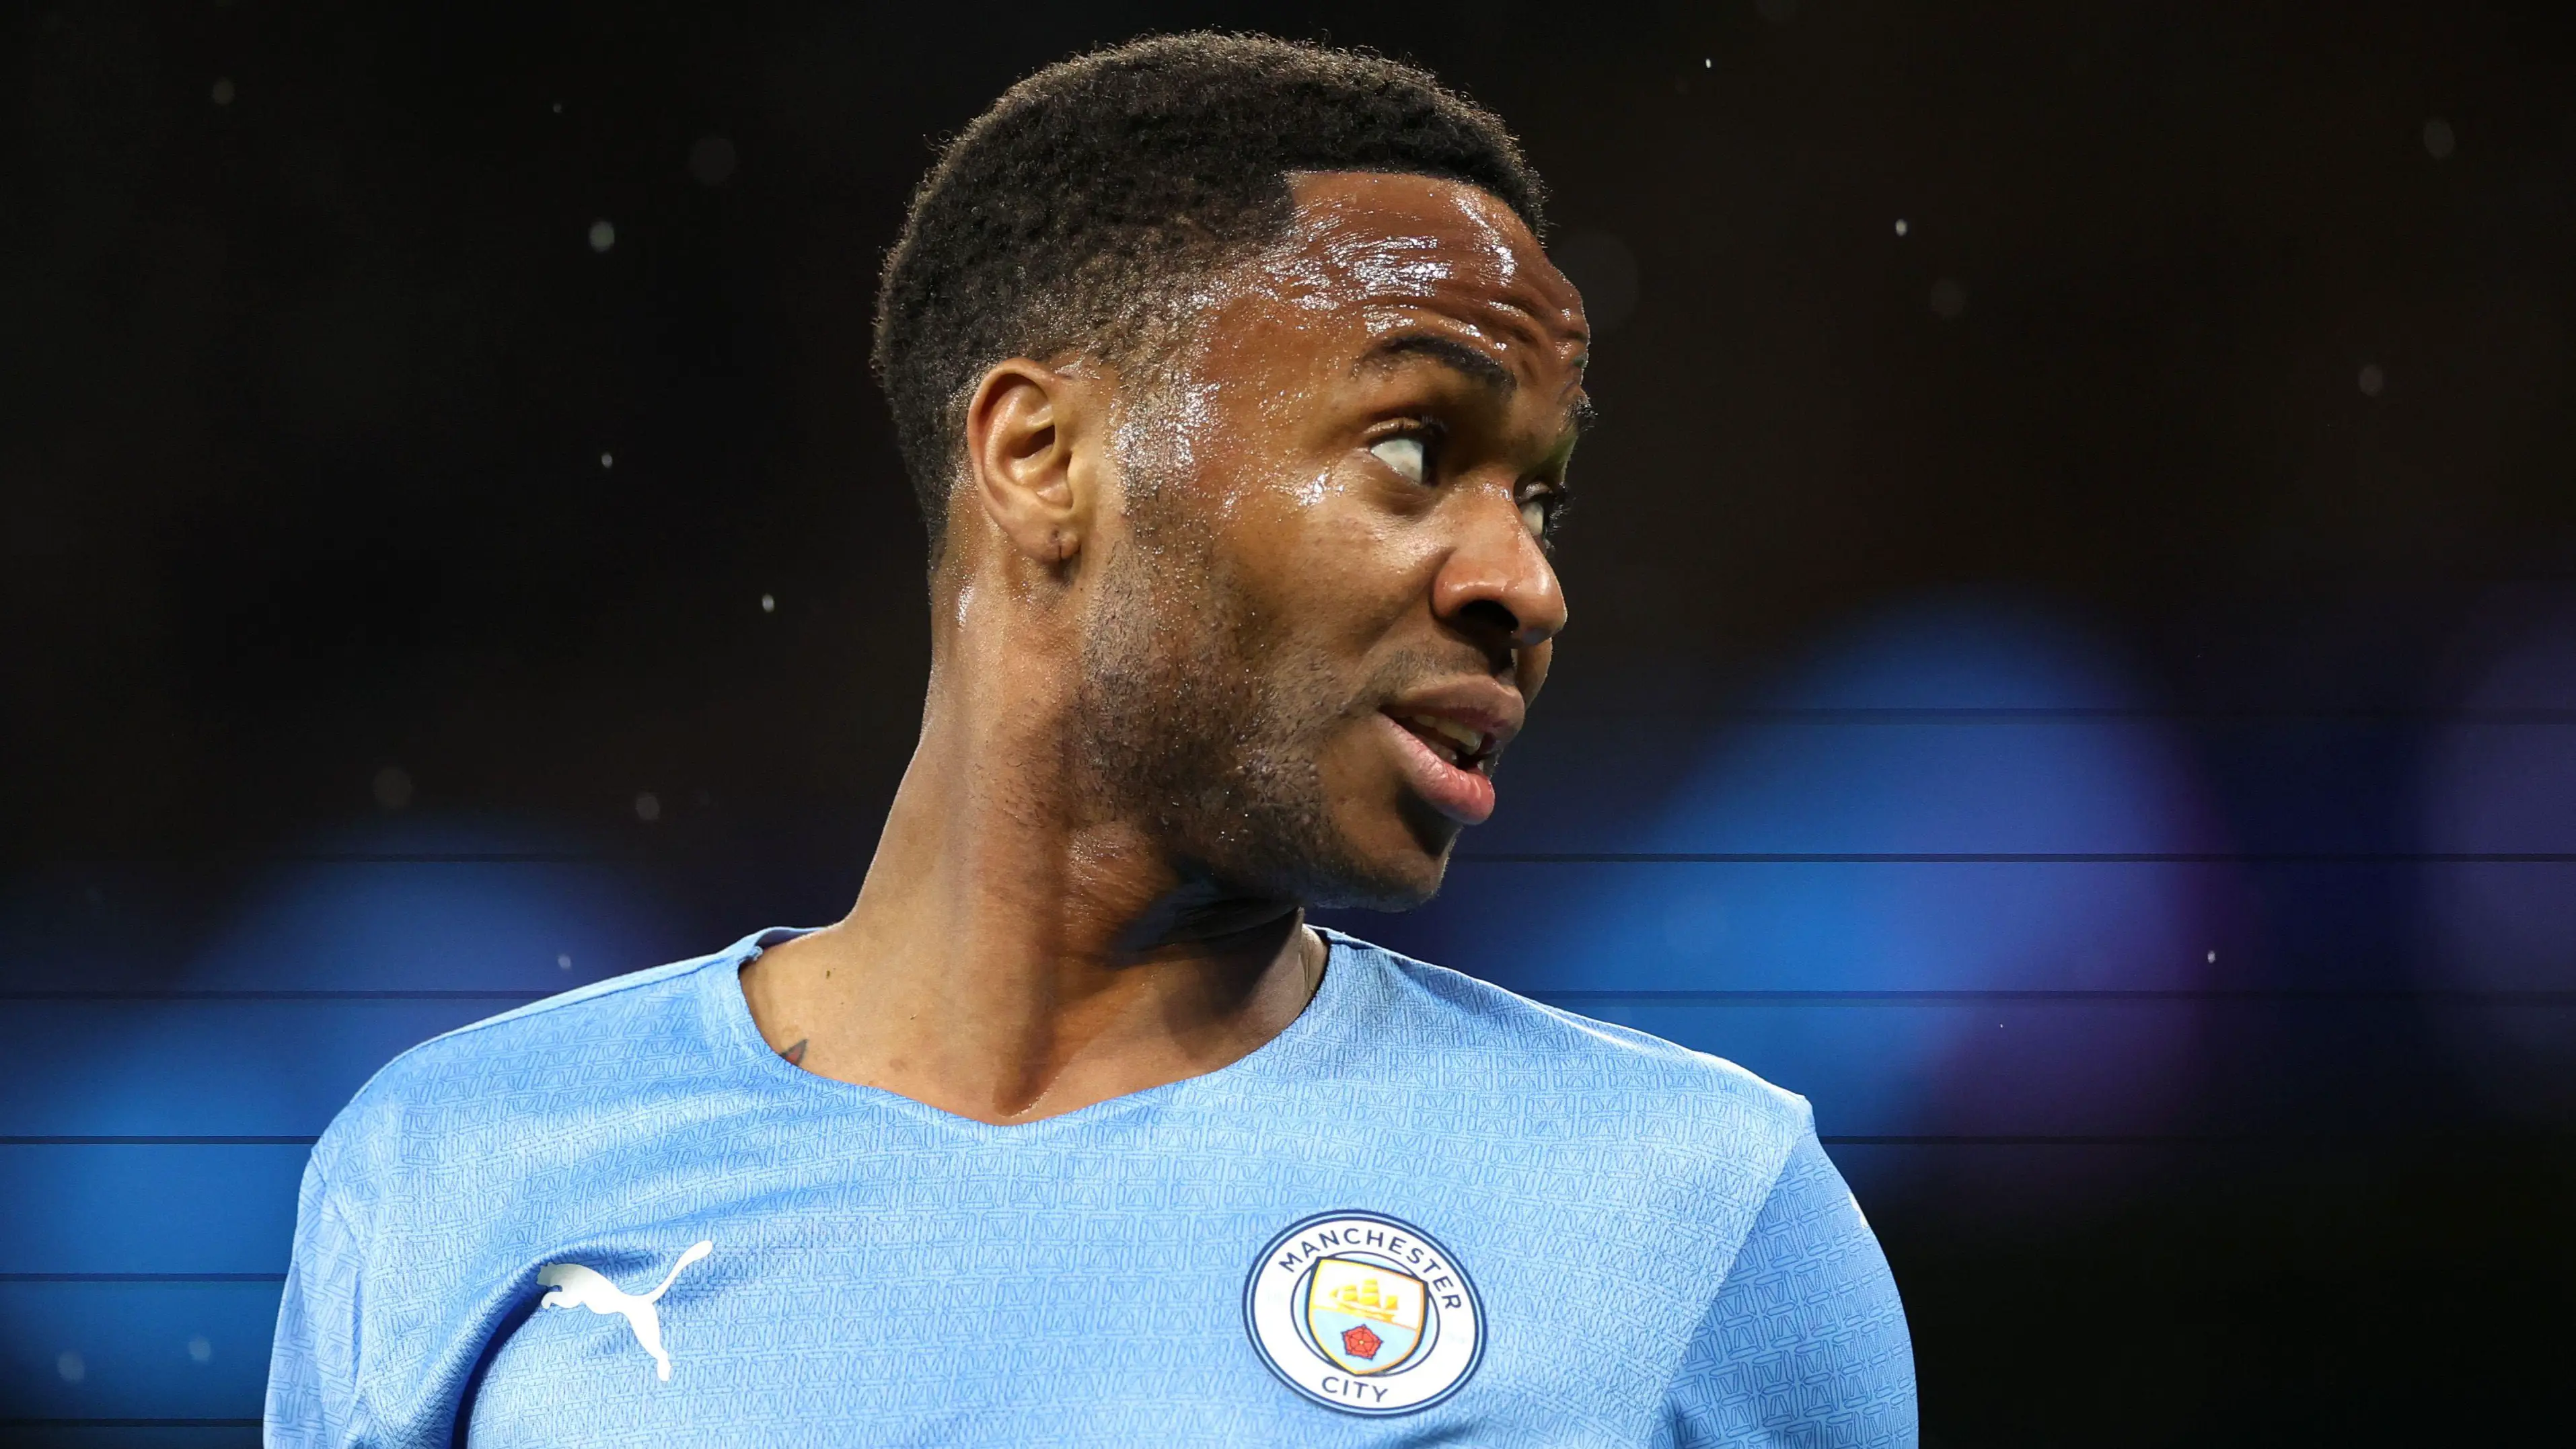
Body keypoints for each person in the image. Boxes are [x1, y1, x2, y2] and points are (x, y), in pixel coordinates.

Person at [266, 32, 1915, 1446]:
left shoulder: (1695, 1213)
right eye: (1415, 451)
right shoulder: (453, 1174)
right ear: (1043, 459)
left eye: (1539, 496)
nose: (1526, 585)